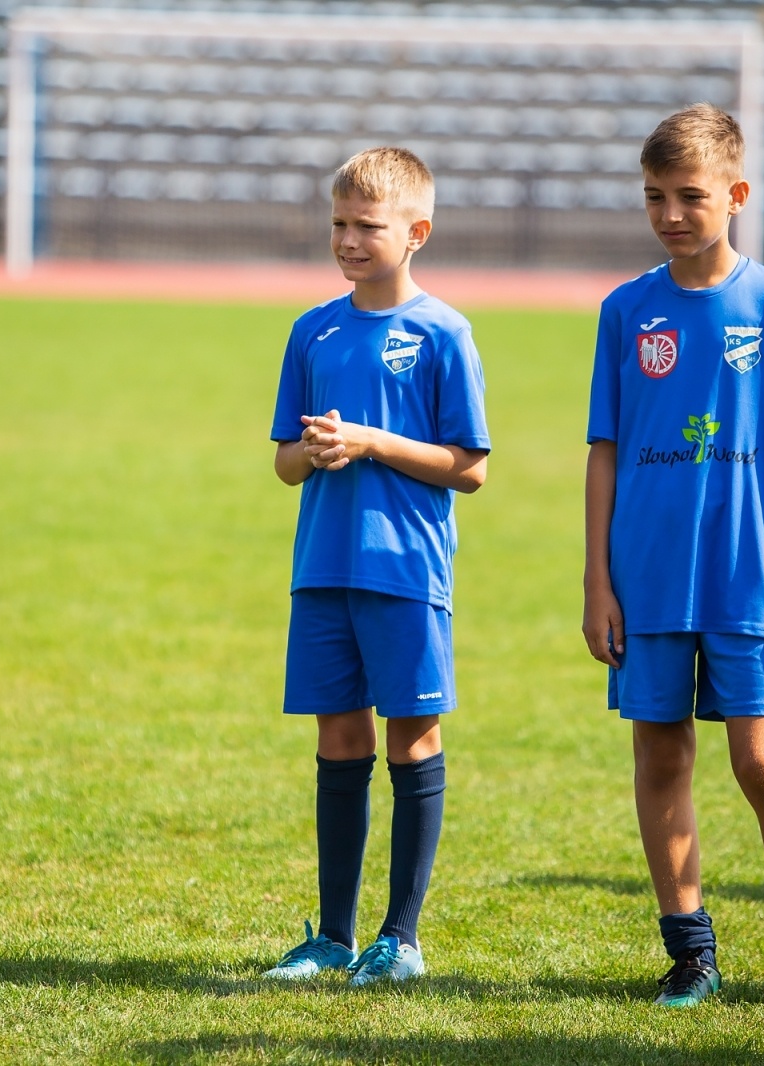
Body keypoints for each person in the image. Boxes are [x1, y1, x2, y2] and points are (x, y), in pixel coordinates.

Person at [581, 103, 764, 1014]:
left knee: (761, 765)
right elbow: (606, 450)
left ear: (736, 194)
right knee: (660, 759)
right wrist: (597, 579)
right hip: (648, 577)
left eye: (691, 195)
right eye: (654, 196)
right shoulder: (625, 310)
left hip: (751, 579)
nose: (670, 213)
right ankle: (691, 956)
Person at [262, 147, 491, 987]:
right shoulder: (311, 329)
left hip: (405, 571)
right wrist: (315, 455)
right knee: (338, 738)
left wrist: (371, 442)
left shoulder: (443, 333)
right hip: (322, 567)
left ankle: (401, 939)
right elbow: (283, 461)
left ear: (416, 232)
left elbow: (470, 465)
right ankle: (331, 936)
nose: (349, 241)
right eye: (339, 224)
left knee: (411, 736)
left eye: (369, 226)